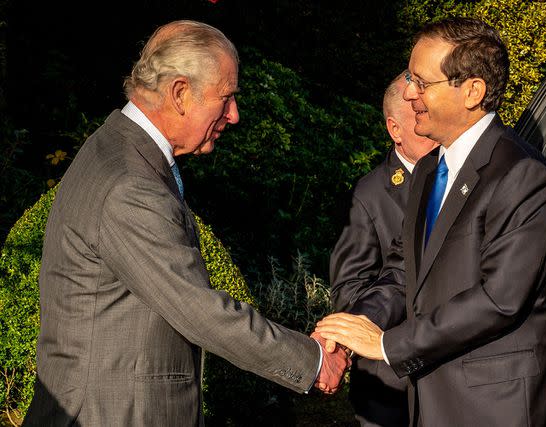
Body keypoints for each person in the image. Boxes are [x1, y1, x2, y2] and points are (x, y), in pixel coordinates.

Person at [23, 20, 349, 426]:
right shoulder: (129, 184)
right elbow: (200, 310)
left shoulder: (117, 150)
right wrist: (313, 360)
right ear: (180, 93)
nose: (234, 114)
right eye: (226, 97)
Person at [317, 17, 546, 426]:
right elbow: (403, 271)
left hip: (497, 406)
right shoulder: (428, 169)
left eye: (422, 82)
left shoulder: (521, 173)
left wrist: (387, 344)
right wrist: (355, 325)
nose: (409, 93)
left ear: (472, 91)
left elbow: (499, 299)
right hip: (431, 399)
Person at [330, 71, 438, 427]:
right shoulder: (370, 194)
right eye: (419, 121)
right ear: (395, 129)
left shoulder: (454, 178)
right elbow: (348, 293)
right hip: (391, 383)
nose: (430, 129)